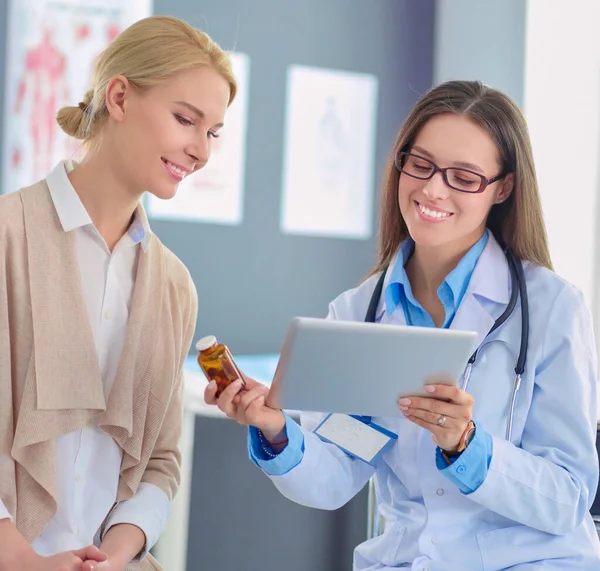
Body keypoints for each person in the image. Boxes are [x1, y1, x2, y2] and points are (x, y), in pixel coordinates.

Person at [205, 80, 600, 570]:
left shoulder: (553, 307)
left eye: (464, 176)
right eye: (421, 164)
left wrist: (467, 445)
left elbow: (568, 498)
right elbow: (334, 477)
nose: (433, 189)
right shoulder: (356, 313)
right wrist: (276, 428)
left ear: (503, 188)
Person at [0, 14, 235, 571]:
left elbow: (161, 459)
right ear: (121, 97)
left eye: (214, 132)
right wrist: (24, 561)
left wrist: (115, 554)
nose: (201, 150)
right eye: (186, 119)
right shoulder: (7, 236)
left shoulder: (173, 286)